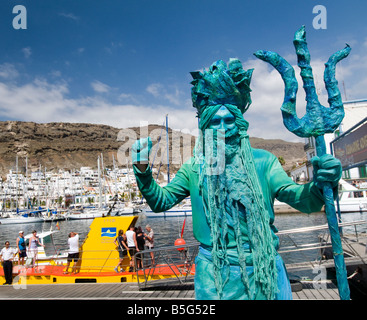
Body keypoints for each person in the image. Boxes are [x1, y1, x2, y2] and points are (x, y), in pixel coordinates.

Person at [131, 59, 342, 300]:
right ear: (205, 127)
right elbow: (160, 202)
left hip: (265, 271)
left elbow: (303, 201)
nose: (223, 128)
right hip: (215, 276)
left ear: (240, 122)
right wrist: (142, 168)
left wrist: (322, 184)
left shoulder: (264, 162)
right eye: (215, 122)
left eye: (229, 120)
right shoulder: (194, 168)